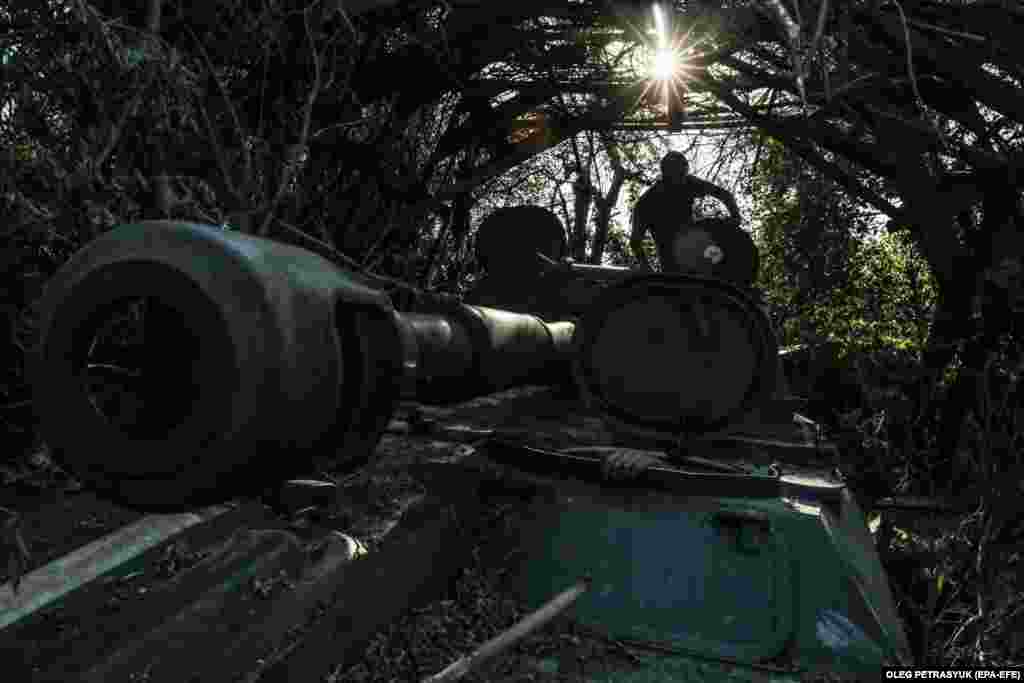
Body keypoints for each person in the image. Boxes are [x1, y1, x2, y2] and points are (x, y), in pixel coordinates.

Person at [630, 151, 743, 275]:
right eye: (677, 175)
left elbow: (724, 194)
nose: (681, 179)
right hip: (670, 263)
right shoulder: (647, 202)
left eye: (683, 174)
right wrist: (647, 268)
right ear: (665, 173)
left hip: (697, 251)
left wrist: (735, 217)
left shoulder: (689, 183)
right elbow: (635, 242)